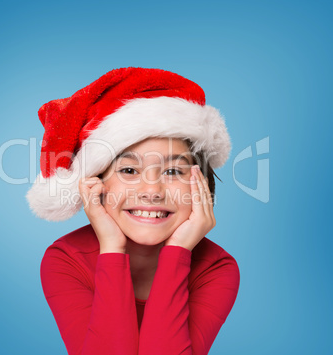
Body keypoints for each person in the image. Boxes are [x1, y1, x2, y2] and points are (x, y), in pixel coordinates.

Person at [26, 67, 240, 355]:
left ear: (200, 183)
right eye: (129, 170)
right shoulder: (66, 260)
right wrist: (112, 249)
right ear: (96, 183)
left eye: (173, 170)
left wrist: (178, 252)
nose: (152, 191)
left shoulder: (215, 268)